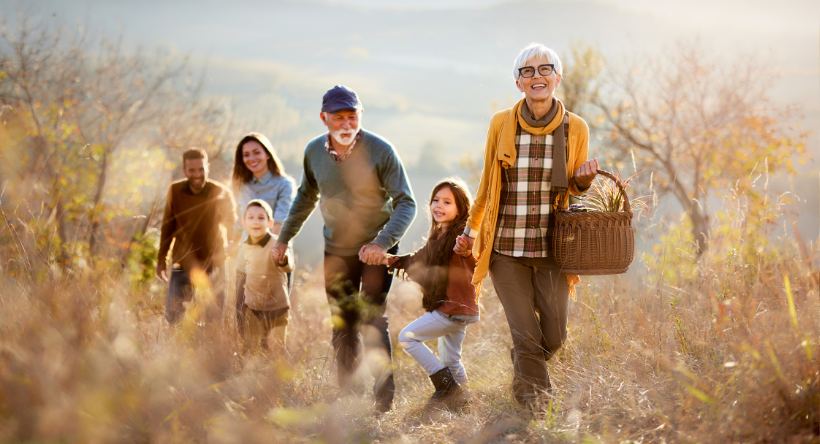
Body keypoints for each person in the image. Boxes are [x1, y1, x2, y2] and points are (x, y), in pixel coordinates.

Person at [454, 43, 599, 408]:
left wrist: (583, 181)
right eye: (528, 71)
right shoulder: (501, 123)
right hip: (506, 250)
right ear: (518, 83)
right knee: (526, 336)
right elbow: (488, 181)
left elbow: (575, 195)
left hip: (553, 250)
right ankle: (533, 408)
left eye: (545, 69)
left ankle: (523, 367)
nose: (537, 76)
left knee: (555, 335)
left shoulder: (575, 127)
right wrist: (471, 230)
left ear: (558, 78)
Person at [271, 85, 416, 412]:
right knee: (343, 324)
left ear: (360, 115)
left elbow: (406, 203)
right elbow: (305, 198)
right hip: (336, 250)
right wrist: (284, 239)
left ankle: (383, 402)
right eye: (339, 118)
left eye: (353, 116)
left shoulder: (381, 151)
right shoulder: (313, 152)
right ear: (324, 119)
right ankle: (348, 397)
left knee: (372, 320)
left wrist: (381, 242)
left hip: (376, 249)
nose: (347, 124)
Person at [386, 178, 477, 412]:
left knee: (407, 337)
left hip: (453, 309)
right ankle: (465, 406)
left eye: (447, 202)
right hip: (458, 309)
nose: (439, 205)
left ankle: (446, 387)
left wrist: (466, 251)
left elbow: (476, 263)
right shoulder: (438, 237)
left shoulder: (462, 236)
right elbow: (417, 259)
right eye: (436, 200)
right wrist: (388, 260)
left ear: (461, 209)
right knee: (451, 360)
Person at [157, 148, 237, 324]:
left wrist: (230, 247)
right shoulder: (175, 191)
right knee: (174, 319)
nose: (197, 174)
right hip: (183, 264)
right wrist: (161, 260)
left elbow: (233, 225)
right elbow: (167, 227)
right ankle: (177, 352)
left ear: (207, 167)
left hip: (214, 265)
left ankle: (209, 351)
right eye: (192, 170)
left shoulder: (221, 193)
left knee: (213, 321)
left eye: (201, 169)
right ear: (184, 170)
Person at [231, 132, 295, 340]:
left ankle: (271, 371)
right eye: (246, 154)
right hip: (245, 261)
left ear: (267, 154)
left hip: (274, 260)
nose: (251, 158)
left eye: (256, 152)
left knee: (273, 323)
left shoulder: (284, 184)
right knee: (244, 319)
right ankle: (249, 370)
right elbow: (240, 222)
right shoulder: (243, 185)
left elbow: (280, 222)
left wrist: (266, 252)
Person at [239, 199, 294, 353]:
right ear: (244, 223)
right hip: (253, 307)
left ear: (270, 223)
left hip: (277, 307)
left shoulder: (278, 243)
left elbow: (289, 267)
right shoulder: (245, 244)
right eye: (251, 217)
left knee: (276, 351)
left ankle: (276, 377)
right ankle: (251, 376)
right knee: (252, 350)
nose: (255, 222)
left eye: (261, 218)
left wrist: (282, 259)